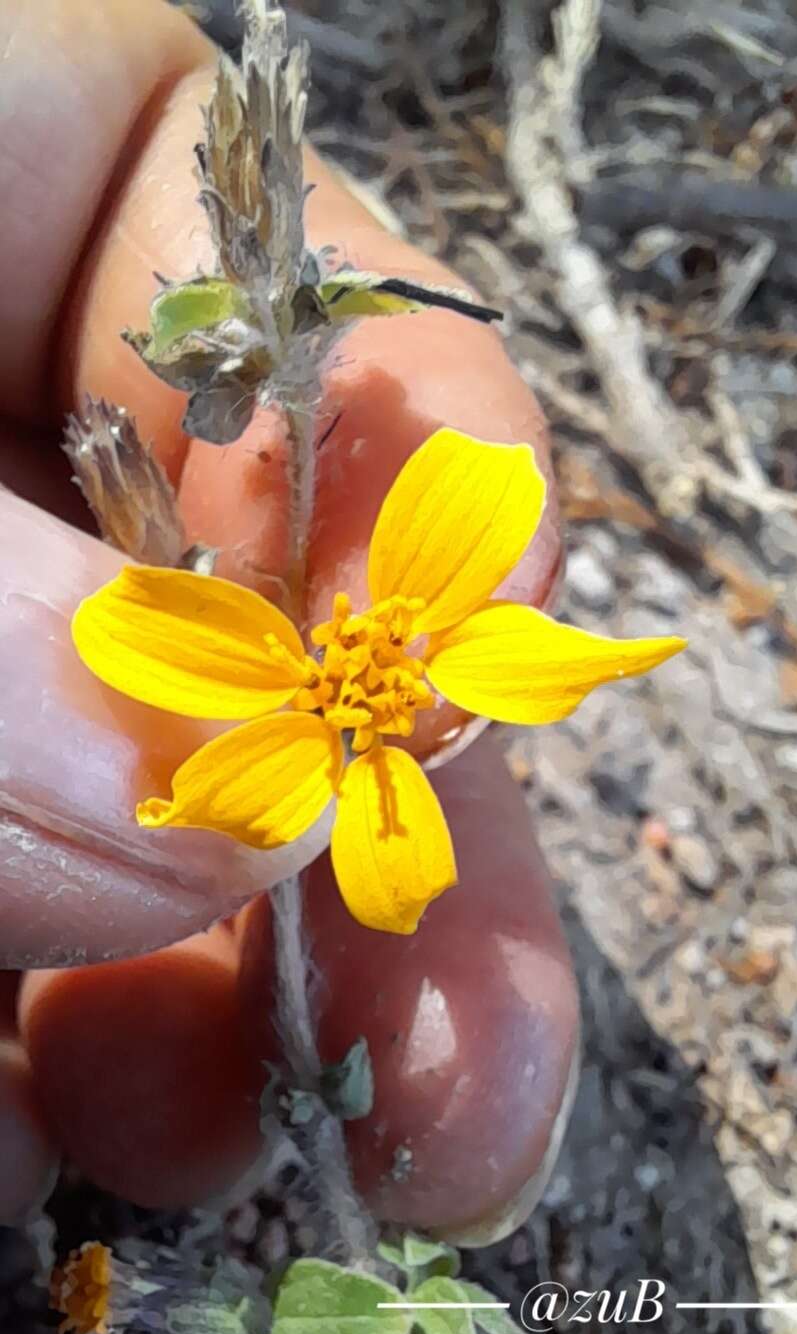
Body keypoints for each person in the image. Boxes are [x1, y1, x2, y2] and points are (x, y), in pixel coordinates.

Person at [0, 0, 579, 1241]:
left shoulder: (372, 712)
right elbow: (131, 646)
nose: (380, 673)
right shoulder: (280, 670)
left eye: (384, 670)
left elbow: (485, 492)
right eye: (372, 667)